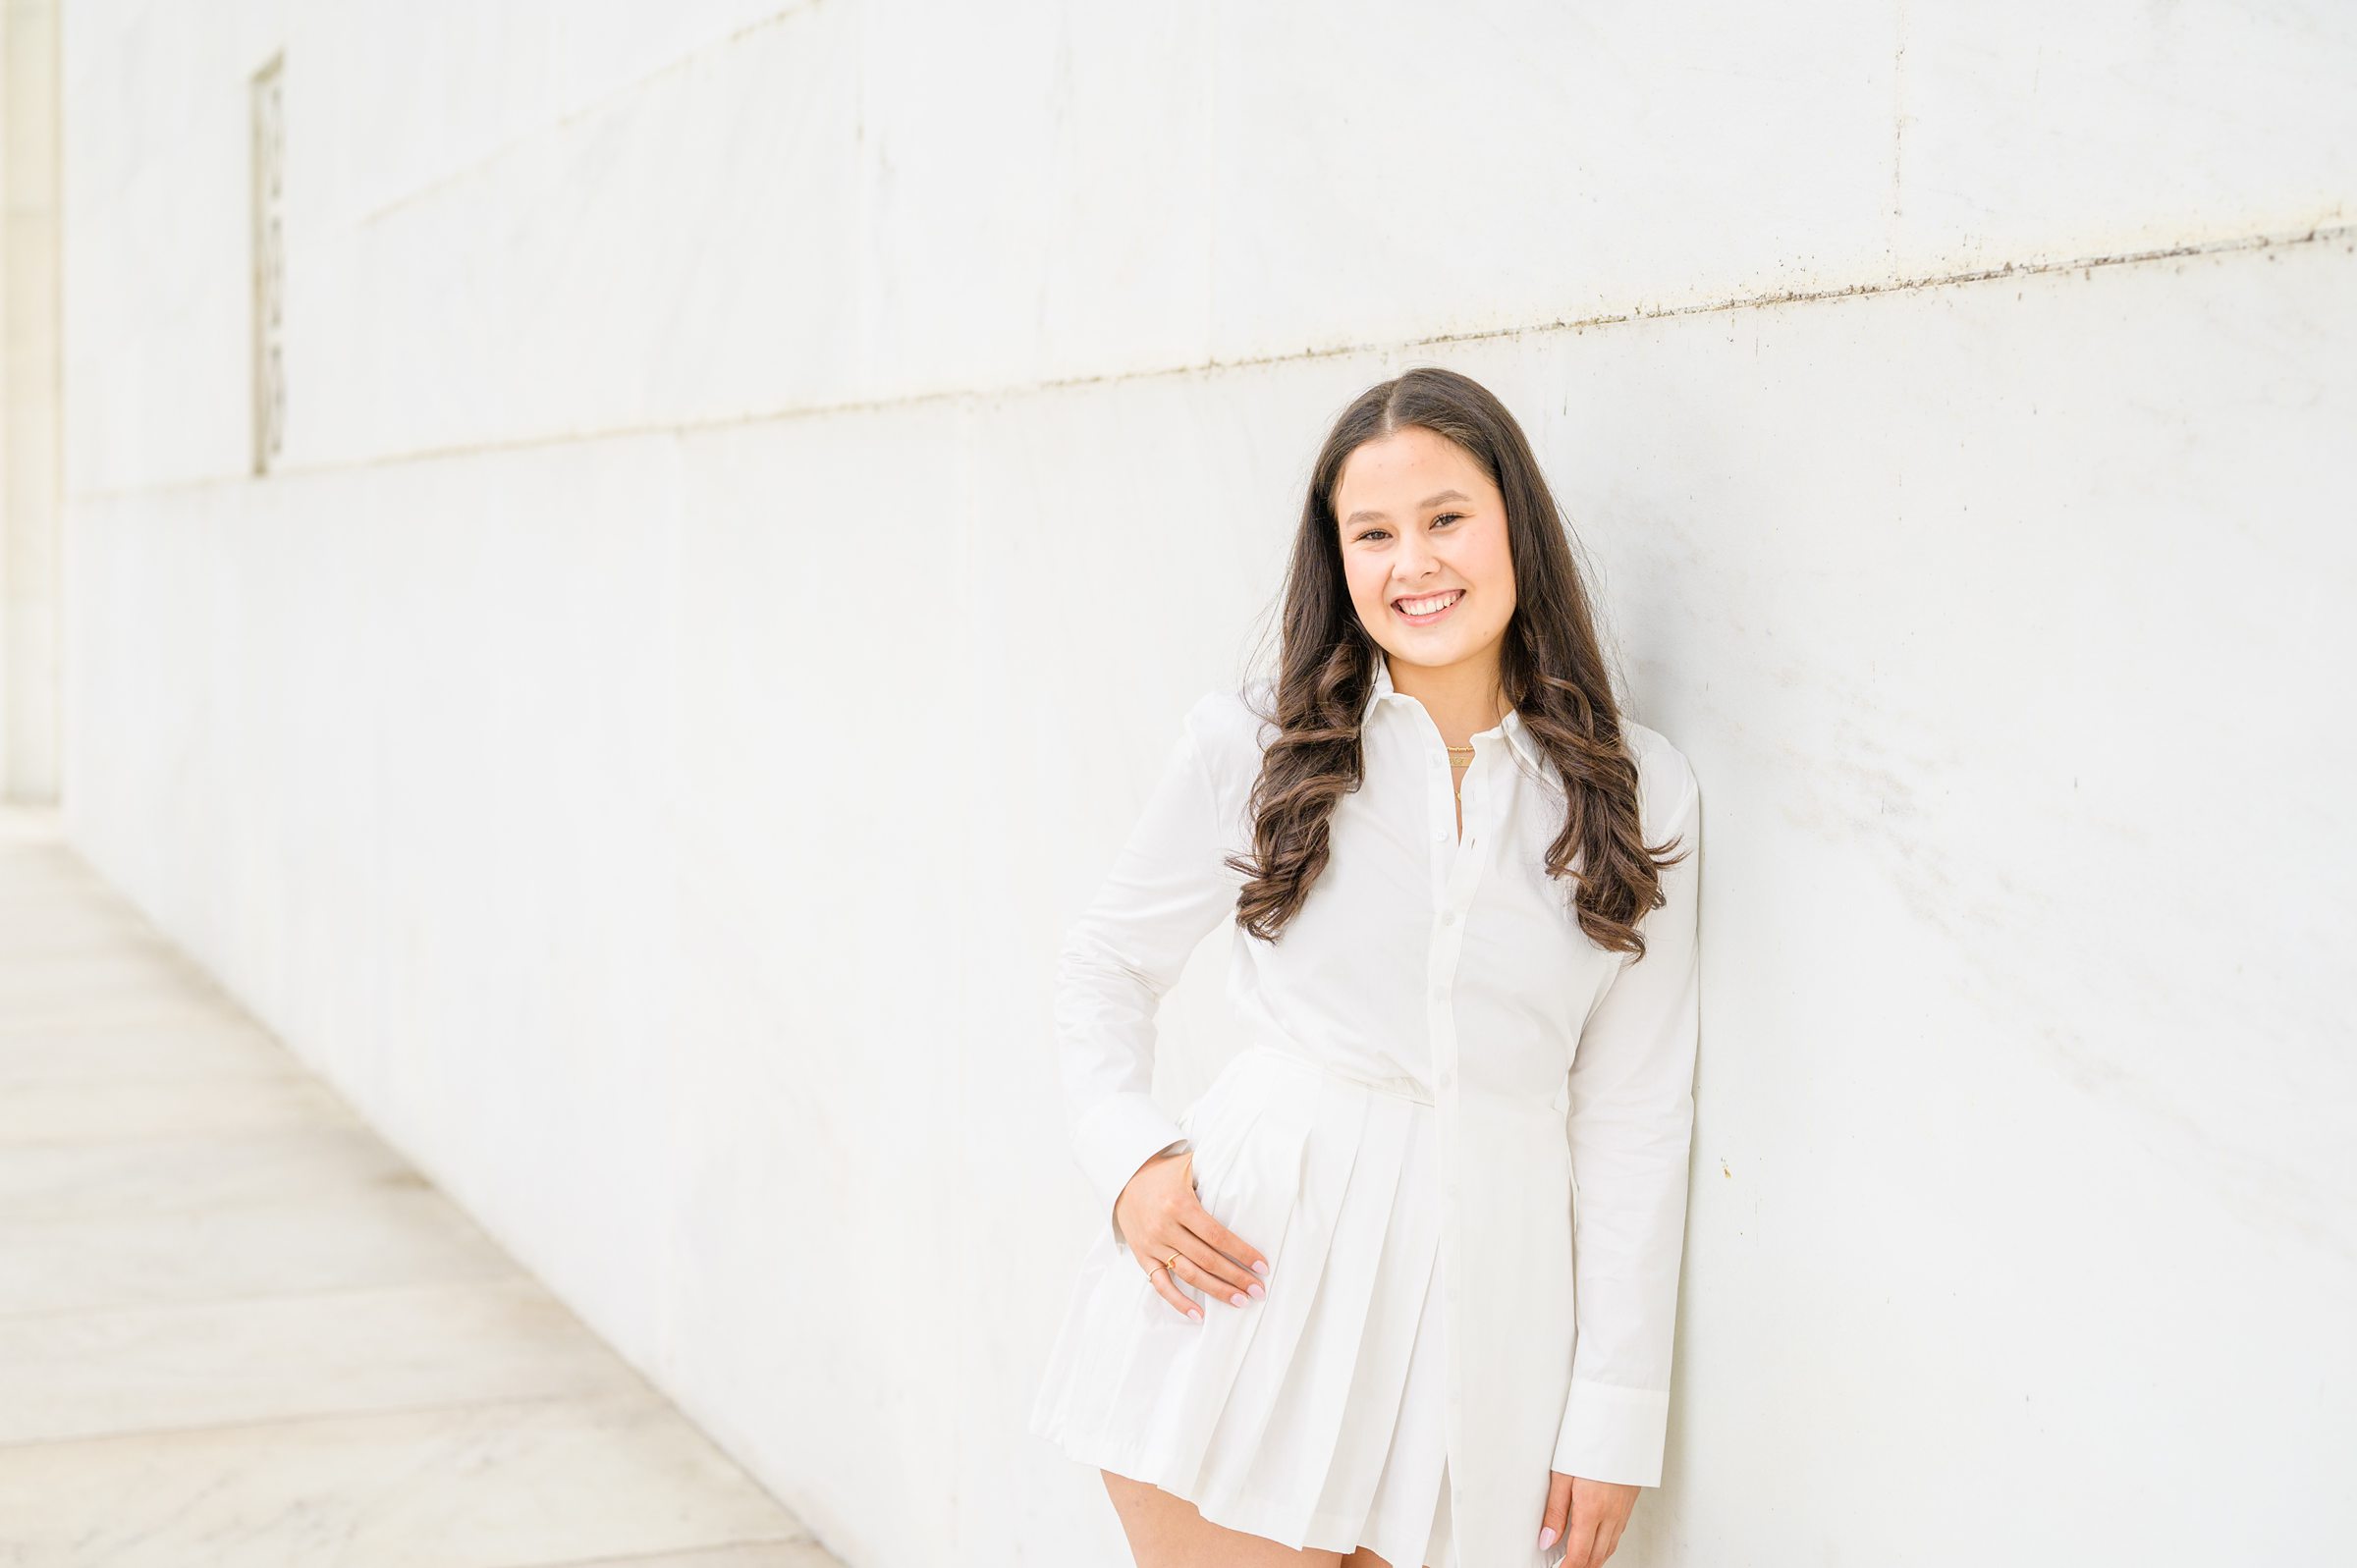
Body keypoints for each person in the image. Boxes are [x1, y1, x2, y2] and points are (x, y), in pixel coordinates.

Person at [1028, 365, 1703, 1568]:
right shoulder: (1257, 748)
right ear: (1337, 561)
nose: (1414, 563)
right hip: (1248, 1304)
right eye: (1373, 534)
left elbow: (1636, 1109)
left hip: (1487, 1322)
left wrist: (1615, 1411)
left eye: (1447, 518)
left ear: (1516, 530)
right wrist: (1128, 1157)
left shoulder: (1635, 787)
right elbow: (1102, 964)